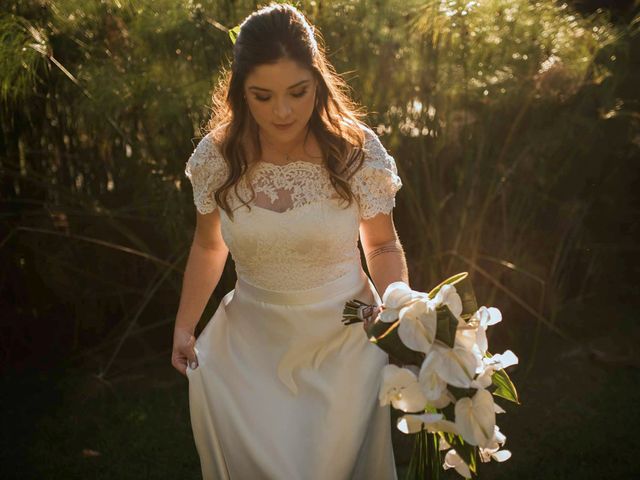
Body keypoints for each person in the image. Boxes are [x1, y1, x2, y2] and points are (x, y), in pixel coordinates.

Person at [171, 3, 409, 479]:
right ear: (241, 92)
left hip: (344, 345)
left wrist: (398, 307)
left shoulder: (355, 151)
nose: (282, 111)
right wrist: (184, 325)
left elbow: (381, 246)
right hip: (250, 350)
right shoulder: (217, 157)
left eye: (298, 92)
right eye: (262, 96)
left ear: (318, 82)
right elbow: (208, 246)